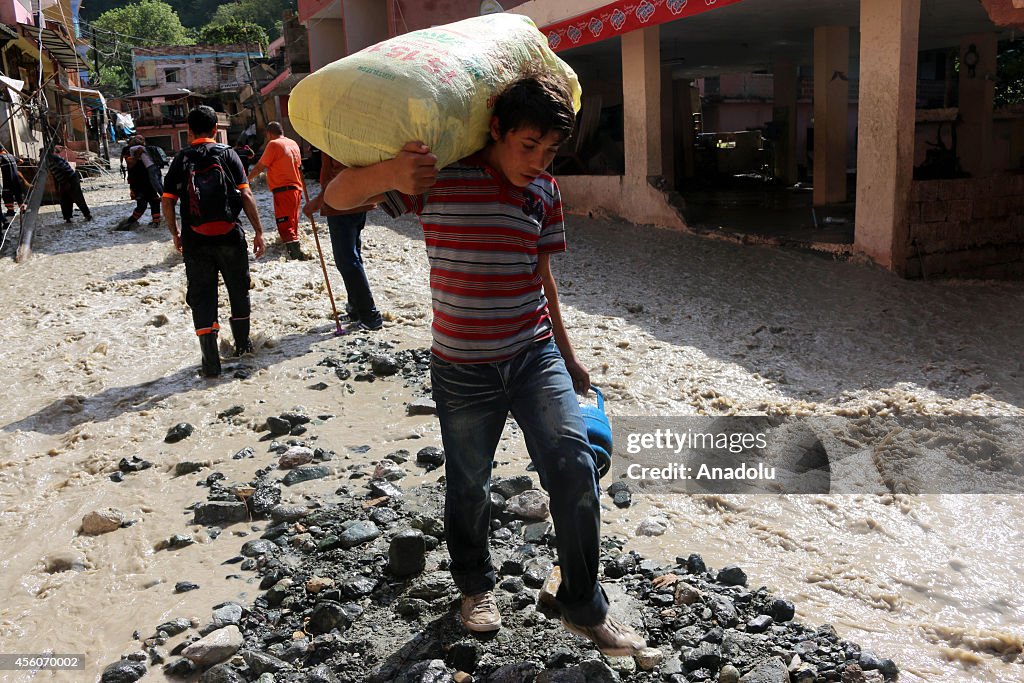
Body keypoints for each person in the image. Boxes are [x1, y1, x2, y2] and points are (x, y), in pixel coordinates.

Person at [324, 72, 647, 656]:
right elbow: (337, 197)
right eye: (528, 146)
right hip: (461, 367)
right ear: (496, 129)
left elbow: (544, 279)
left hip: (533, 355)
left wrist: (570, 359)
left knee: (573, 467)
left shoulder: (544, 192)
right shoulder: (441, 179)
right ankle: (475, 587)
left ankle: (582, 604)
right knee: (469, 481)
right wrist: (392, 174)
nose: (538, 160)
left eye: (549, 151)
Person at [161, 106, 267, 377]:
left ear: (189, 130)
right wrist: (259, 231)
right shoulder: (229, 154)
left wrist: (175, 232)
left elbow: (167, 200)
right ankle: (243, 348)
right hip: (230, 236)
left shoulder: (181, 159)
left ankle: (210, 365)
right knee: (238, 289)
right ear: (214, 129)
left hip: (195, 240)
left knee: (202, 296)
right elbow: (246, 195)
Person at [302, 153, 383, 333]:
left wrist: (316, 203)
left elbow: (340, 179)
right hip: (357, 203)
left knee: (347, 261)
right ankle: (355, 309)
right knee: (353, 258)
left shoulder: (331, 139)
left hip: (340, 206)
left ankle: (370, 316)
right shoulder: (344, 136)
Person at [247, 121, 310, 260]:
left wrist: (246, 181)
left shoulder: (274, 144)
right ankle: (296, 256)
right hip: (296, 189)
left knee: (284, 225)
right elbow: (299, 169)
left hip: (283, 191)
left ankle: (295, 257)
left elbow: (259, 167)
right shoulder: (293, 143)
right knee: (292, 225)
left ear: (269, 134)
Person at [116, 136, 163, 230]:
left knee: (155, 201)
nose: (141, 142)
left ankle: (156, 223)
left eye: (142, 140)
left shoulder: (147, 150)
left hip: (148, 180)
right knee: (142, 204)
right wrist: (138, 154)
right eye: (139, 140)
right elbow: (130, 163)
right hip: (137, 182)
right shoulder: (129, 150)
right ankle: (128, 224)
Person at [48, 146, 92, 223]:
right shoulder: (49, 162)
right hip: (63, 181)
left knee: (77, 197)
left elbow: (66, 170)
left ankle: (87, 215)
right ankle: (67, 218)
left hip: (71, 179)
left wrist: (67, 183)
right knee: (64, 199)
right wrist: (57, 187)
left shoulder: (55, 159)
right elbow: (54, 176)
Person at [0, 146, 29, 218]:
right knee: (18, 193)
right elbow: (21, 161)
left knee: (6, 195)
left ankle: (10, 211)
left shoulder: (0, 157)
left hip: (8, 179)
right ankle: (23, 209)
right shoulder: (11, 155)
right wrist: (15, 166)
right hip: (16, 179)